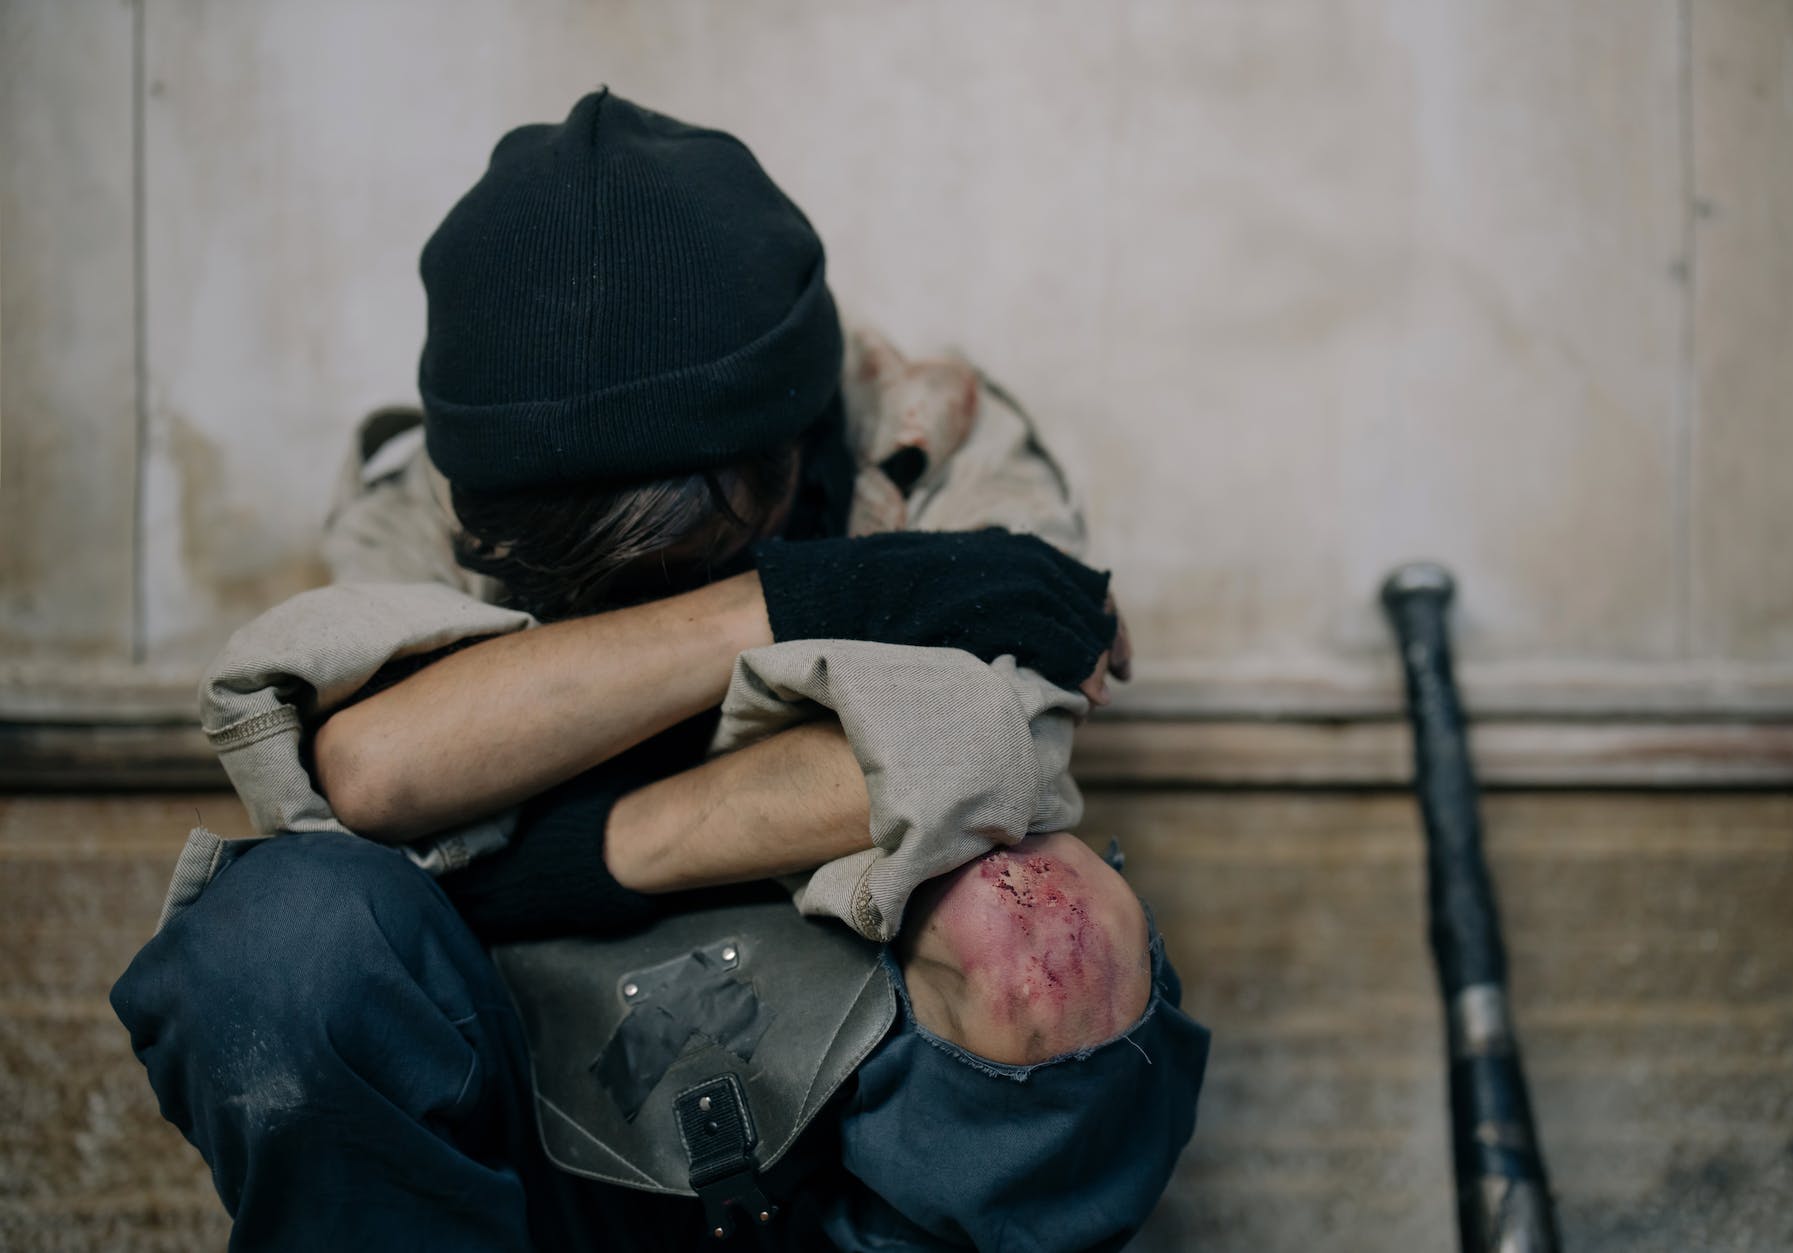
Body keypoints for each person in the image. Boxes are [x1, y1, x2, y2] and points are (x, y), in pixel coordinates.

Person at [111, 89, 1209, 1252]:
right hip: (519, 1116)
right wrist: (795, 599)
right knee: (284, 938)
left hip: (852, 1110)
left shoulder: (942, 446)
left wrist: (536, 843)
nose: (635, 595)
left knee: (1043, 929)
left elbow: (980, 770)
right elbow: (371, 772)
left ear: (788, 450)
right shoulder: (436, 494)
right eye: (586, 578)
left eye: (688, 550)